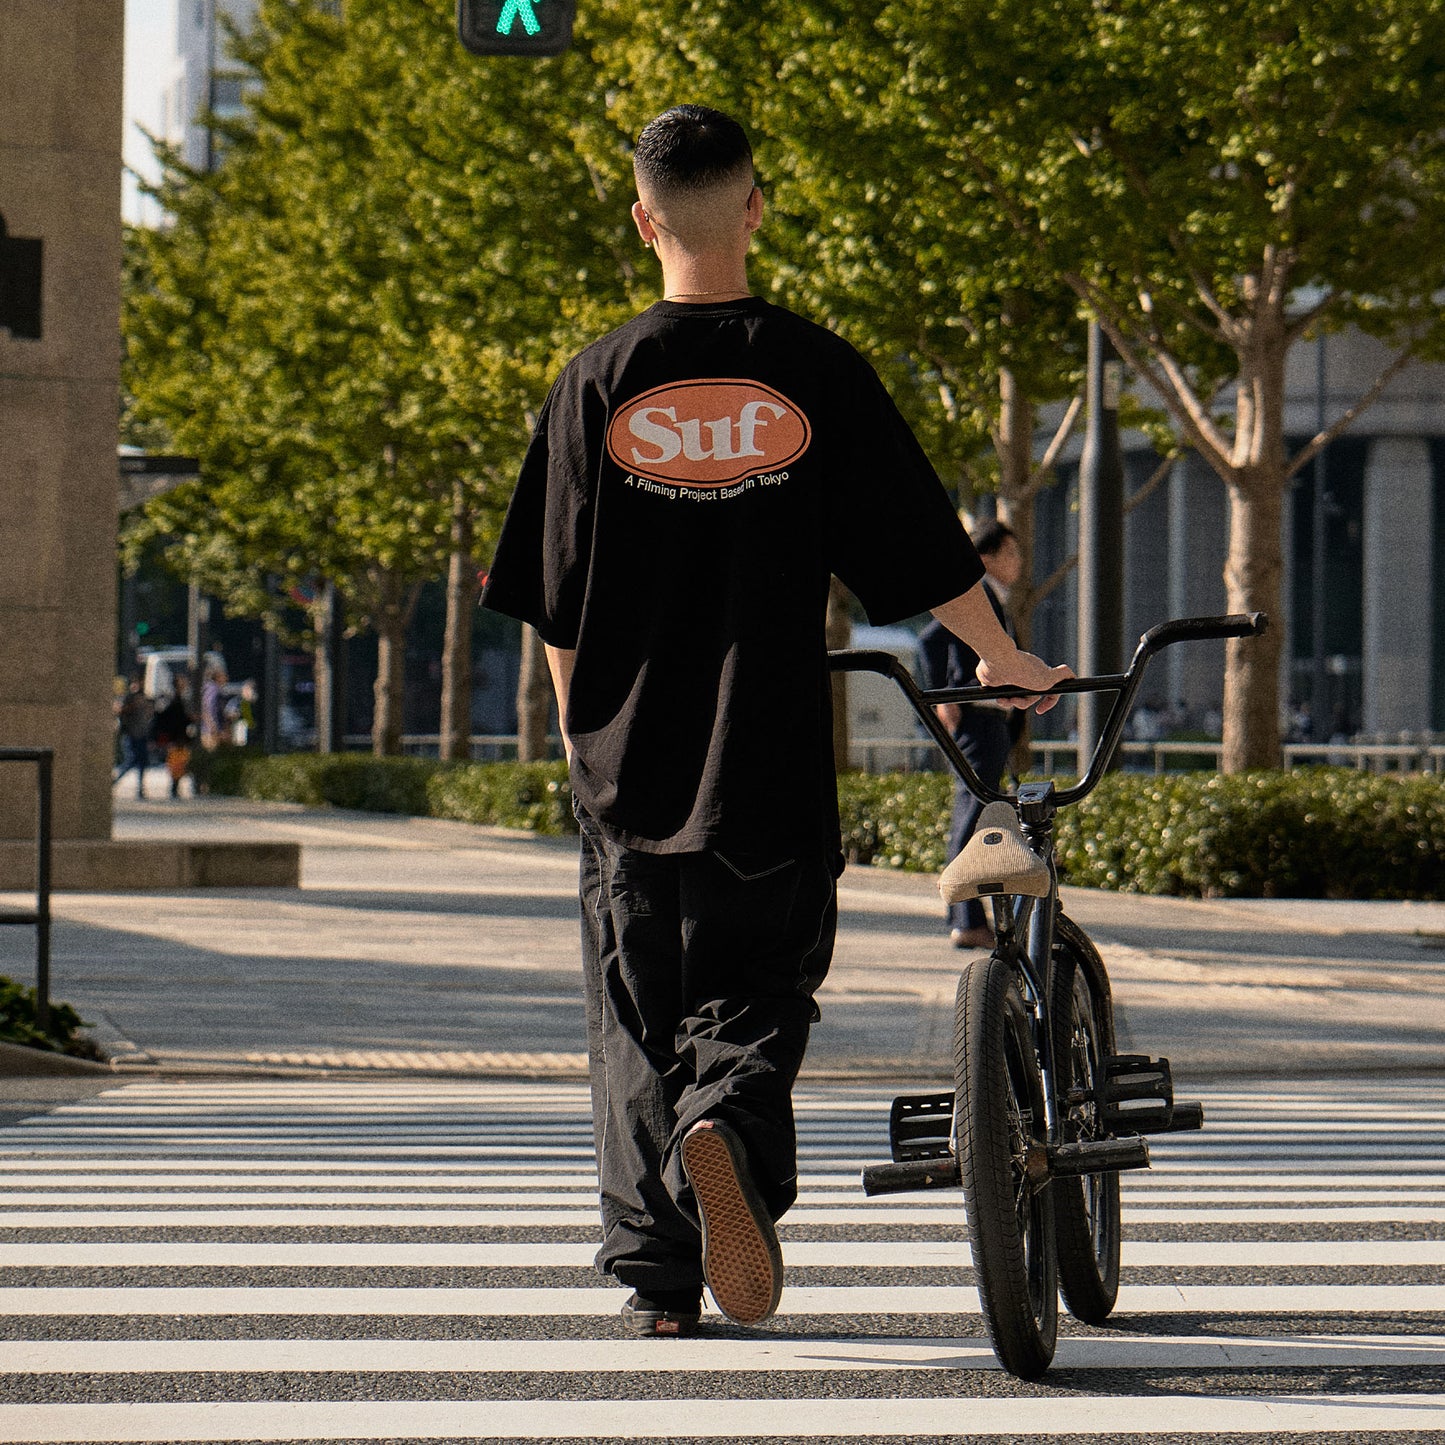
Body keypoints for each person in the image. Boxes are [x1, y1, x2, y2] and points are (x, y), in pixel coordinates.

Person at [481, 105, 1071, 1339]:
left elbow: (553, 600)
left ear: (643, 220)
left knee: (633, 1013)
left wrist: (574, 739)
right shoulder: (811, 368)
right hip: (764, 749)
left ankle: (655, 1279)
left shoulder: (594, 381)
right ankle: (728, 1126)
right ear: (755, 205)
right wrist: (1003, 653)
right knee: (755, 987)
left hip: (626, 759)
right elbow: (918, 549)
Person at [917, 520, 1026, 949]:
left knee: (974, 813)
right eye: (1012, 553)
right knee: (973, 815)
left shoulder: (993, 597)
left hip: (987, 721)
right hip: (978, 721)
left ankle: (961, 916)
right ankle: (965, 919)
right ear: (987, 557)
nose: (1019, 563)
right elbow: (928, 641)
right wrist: (944, 696)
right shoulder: (976, 595)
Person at [151, 681, 194, 800]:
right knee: (177, 762)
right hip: (176, 736)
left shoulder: (176, 700)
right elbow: (174, 718)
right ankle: (174, 786)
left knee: (178, 762)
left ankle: (175, 786)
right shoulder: (173, 701)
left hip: (178, 736)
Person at [113, 677, 154, 799]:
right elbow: (120, 711)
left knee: (142, 762)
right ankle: (114, 781)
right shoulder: (129, 698)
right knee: (131, 760)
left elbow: (148, 715)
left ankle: (140, 787)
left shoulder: (144, 698)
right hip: (131, 734)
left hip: (141, 734)